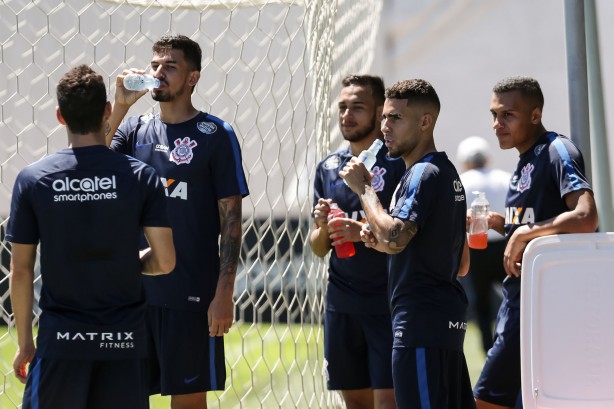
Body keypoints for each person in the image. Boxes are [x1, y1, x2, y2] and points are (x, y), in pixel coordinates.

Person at [8, 64, 175, 409]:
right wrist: (125, 263)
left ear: (59, 116)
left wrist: (26, 343)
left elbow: (21, 270)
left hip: (62, 342)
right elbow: (165, 261)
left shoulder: (33, 179)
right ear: (107, 111)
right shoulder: (140, 176)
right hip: (125, 342)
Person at [105, 34, 249, 409]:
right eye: (154, 65)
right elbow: (90, 159)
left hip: (191, 297)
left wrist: (224, 293)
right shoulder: (134, 130)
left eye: (170, 66)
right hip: (132, 296)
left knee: (188, 403)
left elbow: (231, 221)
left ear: (192, 78)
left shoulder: (216, 135)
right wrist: (119, 106)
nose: (158, 73)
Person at [340, 79, 475, 409]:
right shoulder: (444, 171)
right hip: (444, 321)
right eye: (384, 117)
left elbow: (394, 235)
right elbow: (461, 263)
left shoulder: (422, 174)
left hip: (420, 324)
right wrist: (381, 243)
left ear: (425, 121)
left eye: (395, 118)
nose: (384, 127)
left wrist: (364, 189)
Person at [472, 76, 598, 409]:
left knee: (485, 399)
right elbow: (533, 223)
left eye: (508, 115)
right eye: (494, 115)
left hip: (544, 301)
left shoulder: (556, 150)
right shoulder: (523, 159)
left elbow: (587, 217)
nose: (497, 124)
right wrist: (502, 224)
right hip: (519, 298)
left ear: (535, 114)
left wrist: (526, 234)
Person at [310, 74, 404, 409]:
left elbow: (404, 232)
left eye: (358, 108)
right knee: (355, 403)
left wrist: (359, 232)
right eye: (343, 107)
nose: (347, 115)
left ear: (380, 112)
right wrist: (323, 227)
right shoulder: (329, 167)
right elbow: (319, 247)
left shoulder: (399, 164)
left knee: (389, 402)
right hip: (342, 304)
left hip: (387, 303)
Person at [456, 136, 510, 354]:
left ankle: (489, 348)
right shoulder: (504, 178)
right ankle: (511, 338)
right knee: (512, 296)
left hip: (477, 247)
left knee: (481, 302)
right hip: (505, 243)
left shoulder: (461, 181)